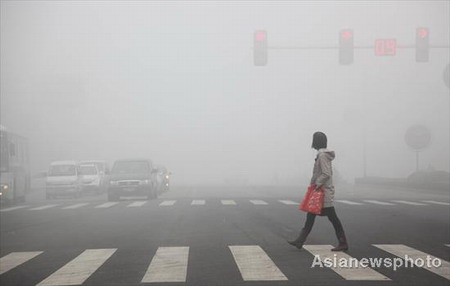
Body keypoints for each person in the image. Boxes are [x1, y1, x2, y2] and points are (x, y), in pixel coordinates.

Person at [288, 131, 348, 251]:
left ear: (316, 142)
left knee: (332, 217)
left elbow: (325, 173)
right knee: (310, 216)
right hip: (320, 192)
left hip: (323, 192)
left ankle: (343, 242)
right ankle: (300, 240)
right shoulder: (322, 155)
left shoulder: (322, 156)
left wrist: (317, 184)